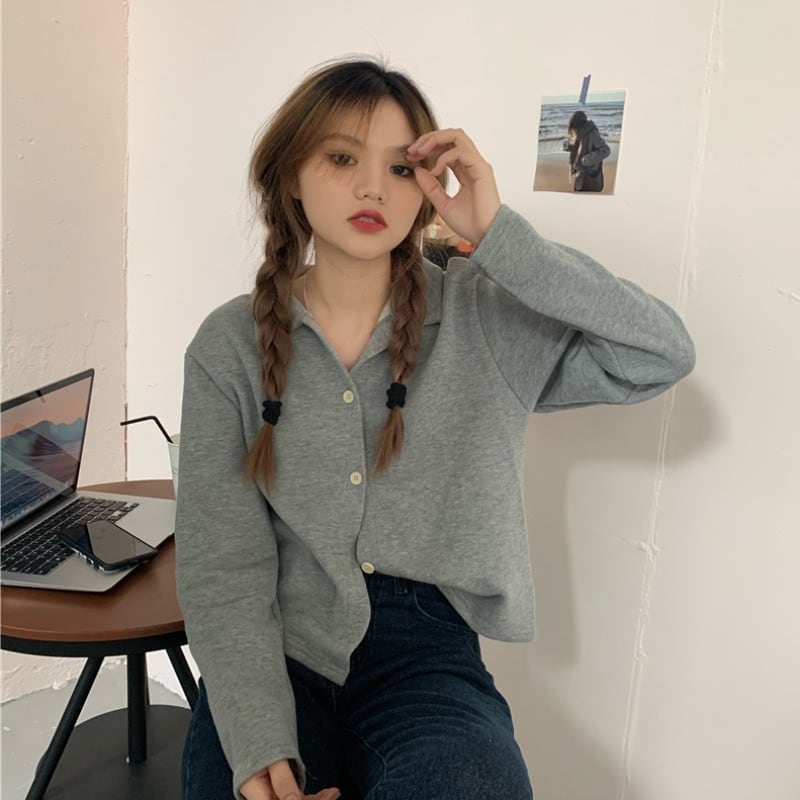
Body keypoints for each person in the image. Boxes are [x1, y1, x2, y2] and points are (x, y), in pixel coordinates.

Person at [175, 58, 694, 800]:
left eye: (399, 168)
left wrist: (498, 233)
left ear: (427, 185)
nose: (372, 189)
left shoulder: (485, 316)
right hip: (277, 644)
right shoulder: (228, 346)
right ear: (291, 176)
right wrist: (258, 745)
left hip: (427, 655)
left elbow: (659, 353)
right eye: (342, 159)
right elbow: (223, 564)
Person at [565, 109, 611, 192]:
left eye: (574, 129)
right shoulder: (581, 134)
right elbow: (579, 147)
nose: (573, 132)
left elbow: (606, 150)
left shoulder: (592, 133)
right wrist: (569, 146)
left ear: (578, 125)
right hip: (581, 176)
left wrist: (587, 160)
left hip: (589, 176)